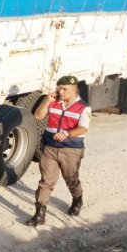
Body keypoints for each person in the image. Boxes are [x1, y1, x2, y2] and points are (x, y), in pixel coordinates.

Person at [26, 75, 92, 227]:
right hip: (50, 148)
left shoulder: (84, 107)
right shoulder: (54, 102)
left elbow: (83, 128)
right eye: (59, 88)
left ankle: (77, 199)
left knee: (71, 179)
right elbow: (38, 116)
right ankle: (39, 215)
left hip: (71, 150)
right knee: (46, 182)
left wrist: (67, 133)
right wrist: (46, 100)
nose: (60, 92)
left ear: (74, 90)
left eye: (64, 89)